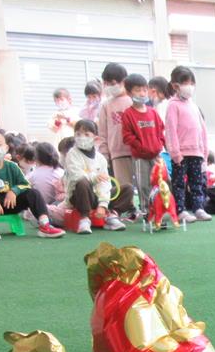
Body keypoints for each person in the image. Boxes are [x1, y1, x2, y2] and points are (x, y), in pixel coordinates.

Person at [0, 125, 65, 243]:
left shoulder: (12, 166)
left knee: (33, 193)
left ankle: (45, 225)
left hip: (10, 204)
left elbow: (25, 184)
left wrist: (14, 191)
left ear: (6, 147)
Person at [62, 119, 130, 233]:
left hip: (97, 196)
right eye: (78, 134)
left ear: (95, 138)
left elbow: (105, 183)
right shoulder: (72, 154)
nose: (81, 137)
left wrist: (103, 204)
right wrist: (94, 177)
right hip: (79, 196)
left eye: (86, 134)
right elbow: (75, 176)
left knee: (127, 189)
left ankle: (111, 215)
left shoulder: (100, 158)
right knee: (82, 182)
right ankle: (84, 218)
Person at [164, 65, 211, 223]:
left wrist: (204, 153)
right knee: (178, 183)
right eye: (185, 83)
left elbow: (202, 129)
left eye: (191, 83)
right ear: (175, 86)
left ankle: (198, 208)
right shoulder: (173, 105)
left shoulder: (193, 105)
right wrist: (175, 153)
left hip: (197, 152)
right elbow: (170, 130)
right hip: (181, 154)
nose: (189, 86)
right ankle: (180, 210)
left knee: (197, 183)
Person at [121, 72, 165, 219]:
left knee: (162, 181)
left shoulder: (153, 112)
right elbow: (127, 136)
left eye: (144, 90)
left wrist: (159, 145)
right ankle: (147, 210)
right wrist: (140, 147)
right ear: (129, 93)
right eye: (137, 90)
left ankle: (162, 207)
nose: (142, 93)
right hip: (140, 157)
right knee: (143, 184)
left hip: (156, 155)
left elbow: (161, 130)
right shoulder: (128, 114)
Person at [97, 63, 134, 207]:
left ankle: (147, 209)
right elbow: (102, 133)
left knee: (144, 184)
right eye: (106, 84)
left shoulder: (133, 100)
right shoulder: (106, 105)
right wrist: (104, 154)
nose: (109, 87)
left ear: (123, 81)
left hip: (137, 150)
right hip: (117, 152)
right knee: (124, 187)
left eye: (112, 83)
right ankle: (129, 208)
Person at [28, 142, 66, 227]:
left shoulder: (33, 174)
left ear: (36, 158)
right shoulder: (61, 172)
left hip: (41, 209)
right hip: (59, 207)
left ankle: (46, 219)